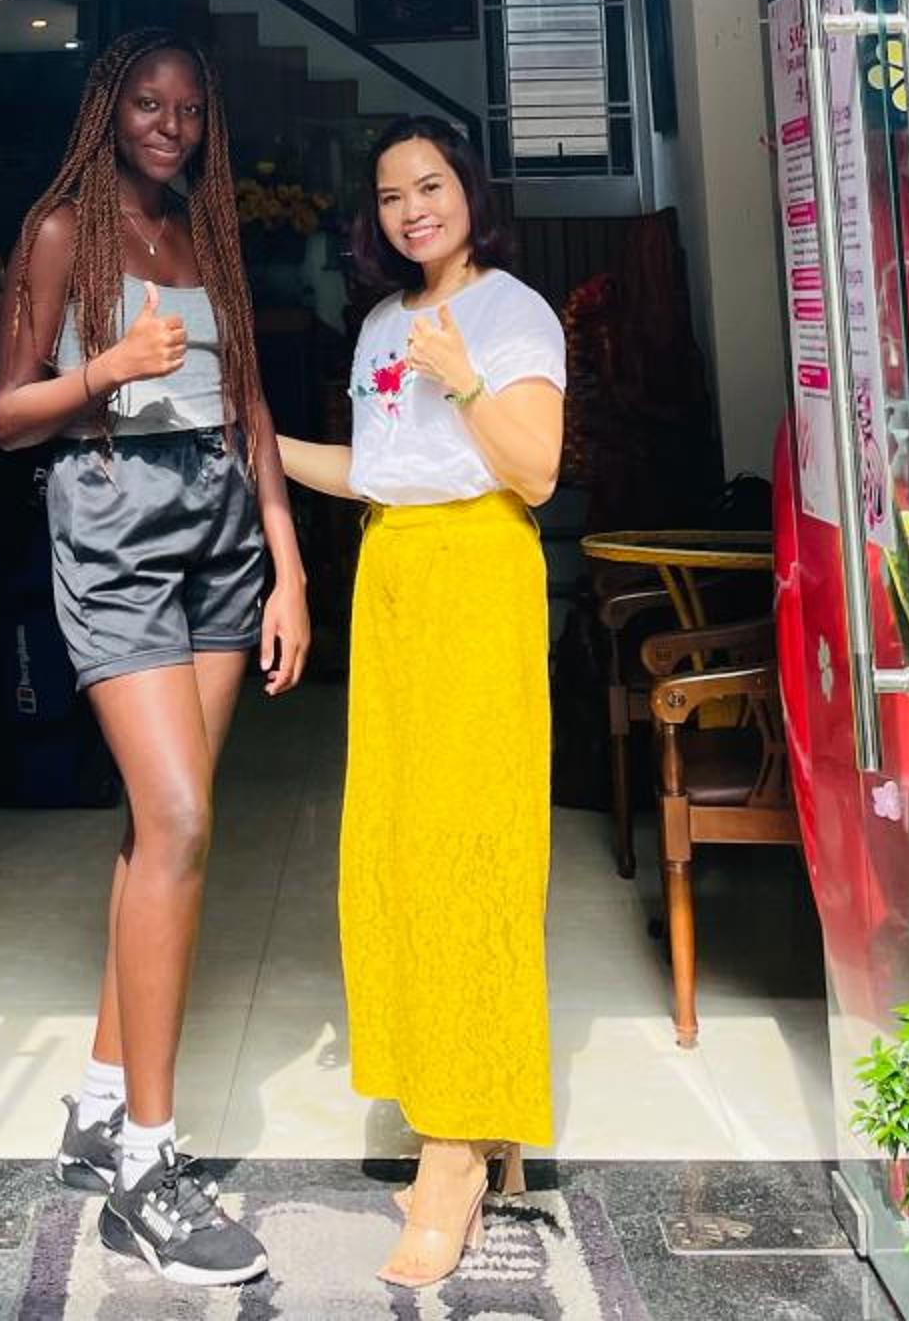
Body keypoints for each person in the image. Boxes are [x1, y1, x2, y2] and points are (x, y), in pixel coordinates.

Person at [0, 29, 310, 1289]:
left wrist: (288, 565)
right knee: (177, 820)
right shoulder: (62, 232)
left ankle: (97, 1105)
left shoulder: (207, 233)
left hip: (225, 535)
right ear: (108, 108)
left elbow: (253, 408)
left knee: (158, 827)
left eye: (188, 109)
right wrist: (110, 367)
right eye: (147, 104)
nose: (170, 126)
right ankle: (147, 1170)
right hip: (116, 529)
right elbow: (9, 415)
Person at [278, 117, 565, 1289]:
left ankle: (454, 1157)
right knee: (396, 849)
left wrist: (468, 377)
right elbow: (380, 470)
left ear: (469, 192)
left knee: (471, 853)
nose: (413, 210)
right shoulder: (379, 325)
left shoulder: (513, 313)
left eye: (431, 186)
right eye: (393, 195)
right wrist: (263, 442)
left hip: (479, 578)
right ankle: (453, 1111)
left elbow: (534, 472)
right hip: (393, 575)